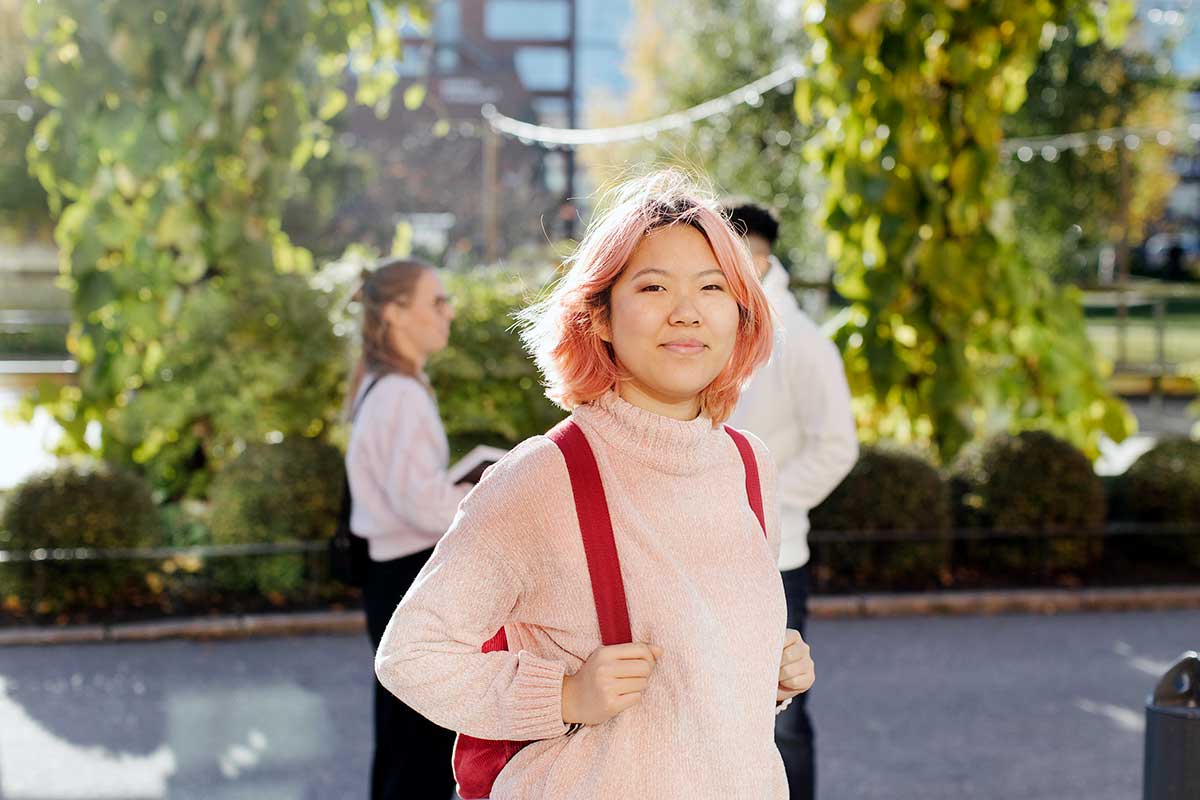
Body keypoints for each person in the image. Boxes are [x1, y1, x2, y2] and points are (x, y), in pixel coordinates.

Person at [374, 170, 816, 799]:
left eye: (713, 287)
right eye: (654, 286)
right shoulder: (541, 478)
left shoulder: (748, 466)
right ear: (600, 317)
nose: (686, 311)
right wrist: (561, 694)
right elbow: (412, 655)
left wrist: (765, 670)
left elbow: (693, 673)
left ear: (741, 315)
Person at [724, 201, 859, 800]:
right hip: (701, 553)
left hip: (773, 557)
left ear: (755, 256)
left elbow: (837, 448)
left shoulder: (800, 342)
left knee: (784, 717)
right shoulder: (718, 326)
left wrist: (760, 508)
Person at [345, 258, 470, 800]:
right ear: (396, 313)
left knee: (406, 738)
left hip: (393, 573)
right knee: (419, 744)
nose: (449, 312)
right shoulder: (398, 393)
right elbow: (418, 503)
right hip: (407, 574)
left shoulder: (387, 385)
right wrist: (479, 500)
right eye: (436, 301)